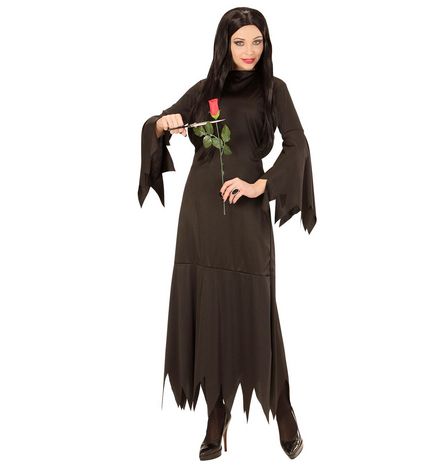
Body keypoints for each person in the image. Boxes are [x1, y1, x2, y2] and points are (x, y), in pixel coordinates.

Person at [138, 7, 317, 461]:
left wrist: (261, 184)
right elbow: (156, 124)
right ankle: (216, 415)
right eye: (240, 42)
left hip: (246, 215)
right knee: (209, 307)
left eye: (257, 41)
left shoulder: (274, 90)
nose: (249, 51)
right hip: (201, 216)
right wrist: (163, 124)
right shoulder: (205, 91)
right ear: (225, 45)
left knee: (257, 308)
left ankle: (282, 407)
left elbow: (298, 144)